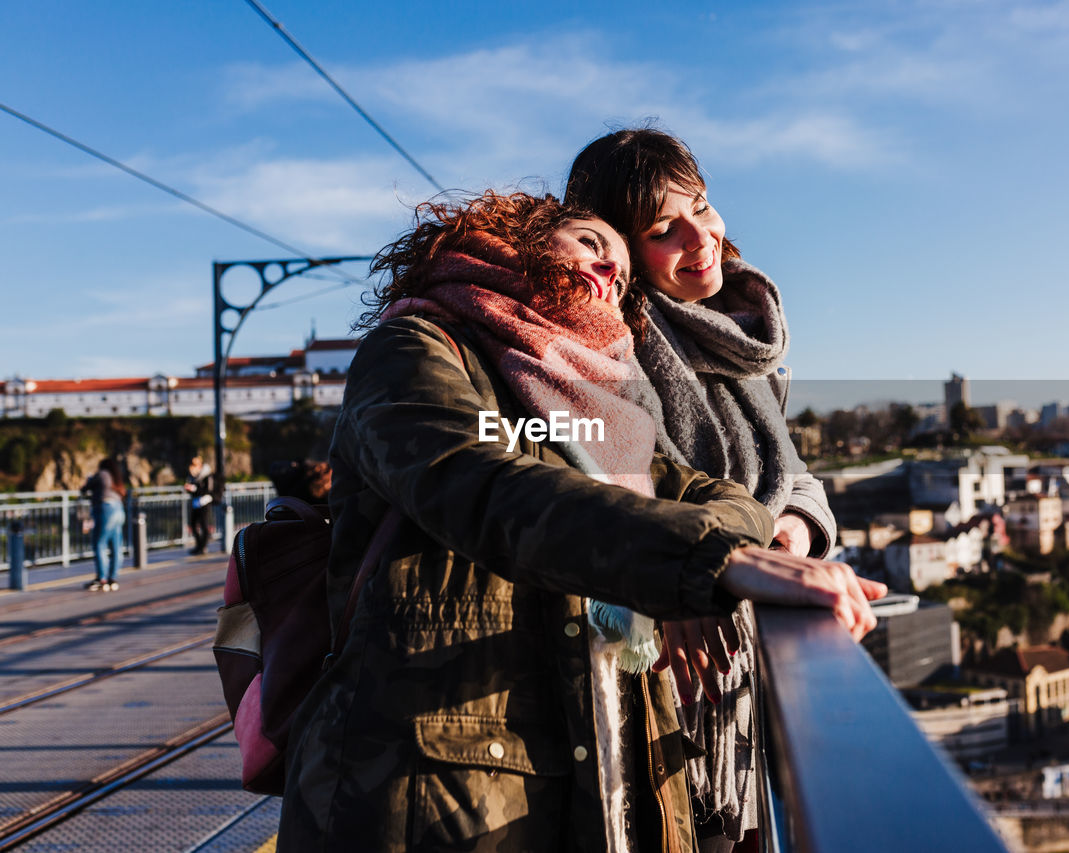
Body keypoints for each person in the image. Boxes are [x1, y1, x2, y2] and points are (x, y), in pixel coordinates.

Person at [278, 191, 882, 853]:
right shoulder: (415, 347)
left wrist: (724, 541)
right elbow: (483, 485)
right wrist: (707, 559)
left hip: (595, 786)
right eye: (591, 245)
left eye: (622, 275)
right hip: (431, 803)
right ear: (517, 239)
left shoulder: (597, 404)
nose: (606, 274)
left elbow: (718, 495)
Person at [565, 127, 841, 851]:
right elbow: (612, 491)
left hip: (743, 674)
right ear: (619, 248)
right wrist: (707, 559)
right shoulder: (604, 349)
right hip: (664, 678)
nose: (703, 236)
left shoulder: (736, 339)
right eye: (665, 229)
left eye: (705, 207)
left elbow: (797, 481)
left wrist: (788, 537)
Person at [80, 457, 127, 591]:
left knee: (100, 544)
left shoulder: (102, 474)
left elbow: (86, 488)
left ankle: (102, 579)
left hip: (106, 509)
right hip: (119, 510)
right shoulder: (116, 478)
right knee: (116, 546)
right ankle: (112, 578)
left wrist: (88, 480)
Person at [184, 455, 215, 554]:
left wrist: (194, 488)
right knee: (193, 524)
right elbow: (193, 491)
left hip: (204, 502)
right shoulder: (192, 476)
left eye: (195, 464)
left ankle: (203, 546)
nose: (193, 466)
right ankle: (199, 545)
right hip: (195, 502)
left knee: (203, 524)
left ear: (200, 464)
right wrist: (190, 488)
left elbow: (208, 490)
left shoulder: (207, 474)